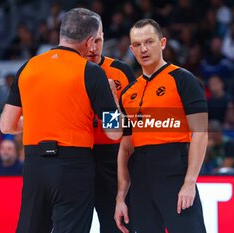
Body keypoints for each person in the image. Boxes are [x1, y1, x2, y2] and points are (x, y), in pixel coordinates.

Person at [0, 8, 121, 233]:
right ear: (90, 41)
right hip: (73, 166)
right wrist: (114, 100)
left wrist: (42, 118)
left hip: (35, 164)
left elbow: (6, 125)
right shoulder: (92, 72)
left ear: (62, 33)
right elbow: (114, 131)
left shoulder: (28, 67)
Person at [114, 19, 207, 233]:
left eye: (149, 42)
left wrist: (189, 182)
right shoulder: (128, 93)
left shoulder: (183, 79)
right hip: (140, 178)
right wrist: (121, 197)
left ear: (162, 42)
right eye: (137, 44)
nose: (143, 49)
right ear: (131, 49)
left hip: (174, 172)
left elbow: (201, 133)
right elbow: (125, 147)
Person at [86, 20, 135, 233]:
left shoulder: (120, 70)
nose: (93, 47)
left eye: (98, 40)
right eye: (89, 41)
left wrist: (113, 102)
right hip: (79, 154)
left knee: (116, 223)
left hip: (112, 155)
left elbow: (133, 120)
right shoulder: (71, 72)